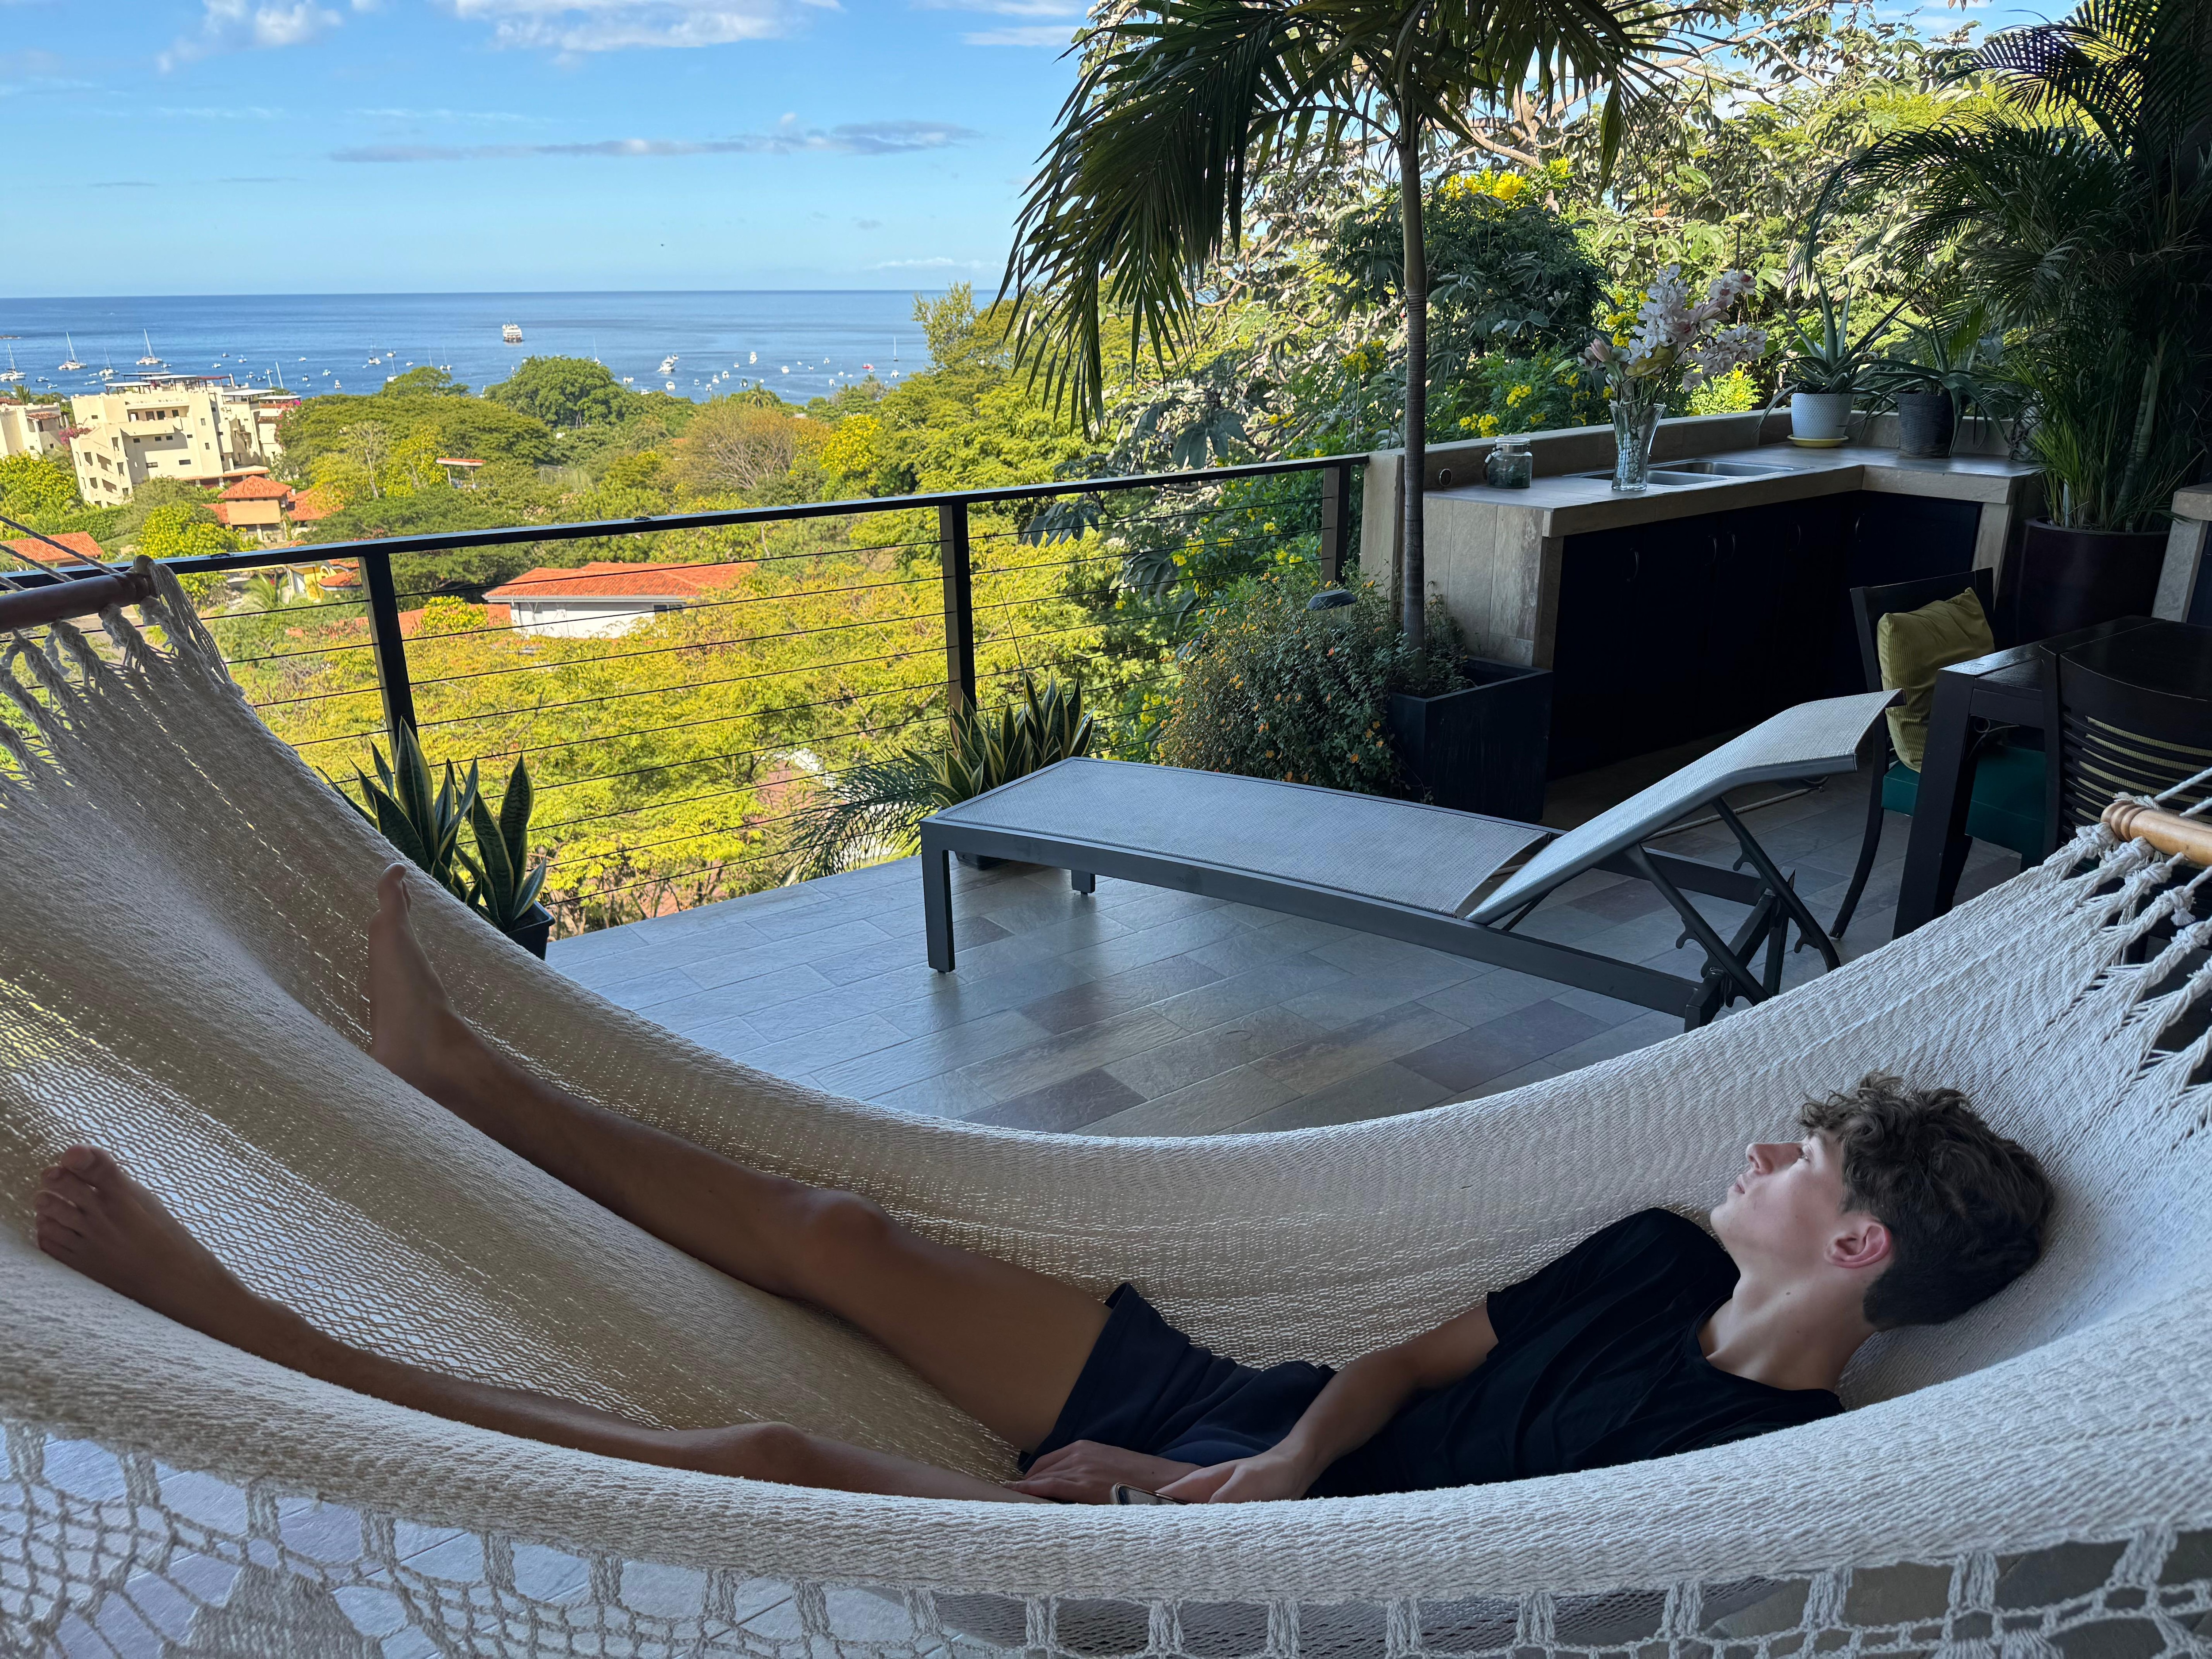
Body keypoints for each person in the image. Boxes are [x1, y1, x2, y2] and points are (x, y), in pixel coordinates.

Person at [27, 867, 2055, 1505]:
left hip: (1266, 1582)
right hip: (1242, 1433)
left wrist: (1211, 1533)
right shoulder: (1645, 1249)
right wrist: (1233, 1461)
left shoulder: (1751, 1460)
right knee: (842, 1231)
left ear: (1858, 1243)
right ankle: (453, 1076)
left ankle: (262, 1330)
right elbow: (1410, 1353)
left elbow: (1455, 1578)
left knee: (768, 1446)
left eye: (1802, 1156)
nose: (1757, 1149)